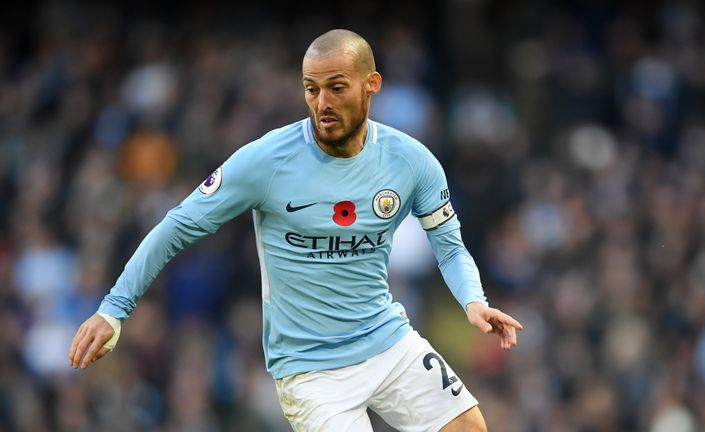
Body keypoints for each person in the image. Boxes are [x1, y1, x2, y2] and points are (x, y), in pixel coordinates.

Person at [69, 29, 523, 432]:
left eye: (337, 88)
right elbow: (178, 226)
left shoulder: (411, 161)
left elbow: (450, 248)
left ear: (372, 86)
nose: (322, 104)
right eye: (312, 89)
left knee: (469, 427)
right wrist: (114, 309)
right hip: (311, 372)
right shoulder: (267, 160)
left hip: (388, 341)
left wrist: (474, 301)